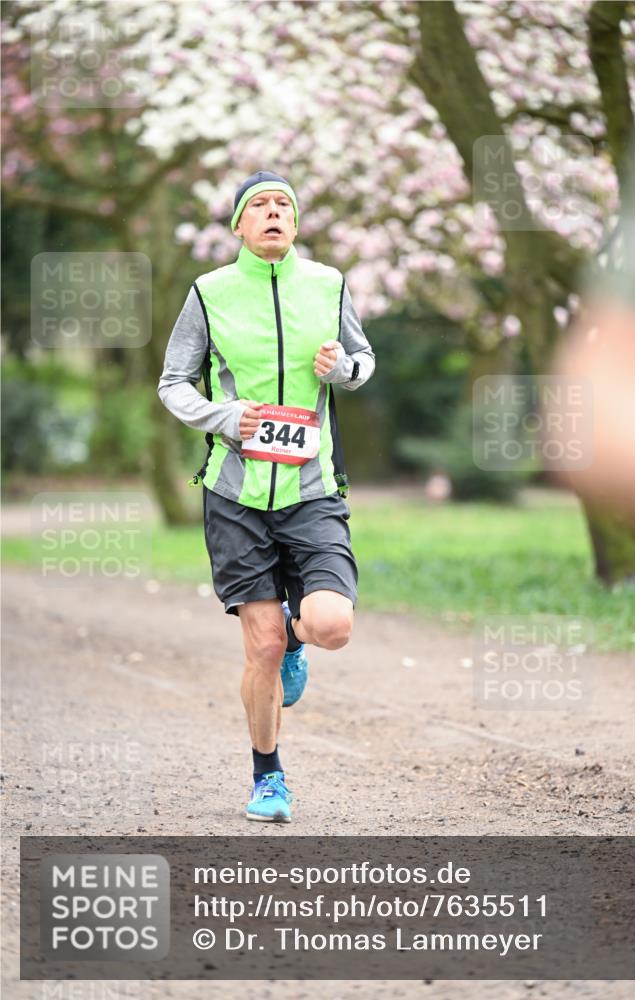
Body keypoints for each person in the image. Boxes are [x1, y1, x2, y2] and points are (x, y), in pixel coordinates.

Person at [158, 171, 375, 822]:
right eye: (260, 206)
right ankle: (267, 777)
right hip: (236, 494)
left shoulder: (328, 285)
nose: (273, 213)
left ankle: (299, 639)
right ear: (239, 227)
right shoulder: (209, 293)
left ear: (297, 223)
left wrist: (340, 370)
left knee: (332, 625)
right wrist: (225, 416)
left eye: (284, 205)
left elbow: (363, 364)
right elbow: (173, 384)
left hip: (311, 490)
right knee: (261, 648)